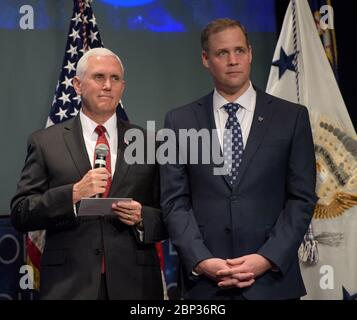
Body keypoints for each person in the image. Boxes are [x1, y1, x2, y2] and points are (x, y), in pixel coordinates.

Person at [160, 18, 318, 299]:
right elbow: (174, 201)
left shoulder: (291, 117)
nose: (233, 60)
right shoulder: (179, 121)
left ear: (250, 53)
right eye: (222, 53)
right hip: (207, 285)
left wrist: (267, 258)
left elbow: (302, 198)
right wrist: (201, 260)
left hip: (273, 283)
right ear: (206, 59)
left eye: (239, 51)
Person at [11, 48, 166, 300]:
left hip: (135, 285)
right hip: (69, 285)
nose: (107, 85)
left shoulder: (149, 144)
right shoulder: (45, 142)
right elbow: (21, 212)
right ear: (77, 85)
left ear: (122, 87)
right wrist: (72, 194)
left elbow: (170, 213)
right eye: (99, 77)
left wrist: (142, 217)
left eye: (115, 79)